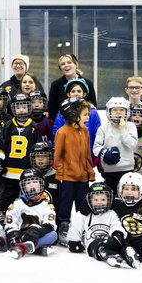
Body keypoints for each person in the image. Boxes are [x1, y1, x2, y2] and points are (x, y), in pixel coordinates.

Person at [0, 91, 43, 223]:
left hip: (26, 170)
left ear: (29, 107)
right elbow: (1, 145)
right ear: (13, 108)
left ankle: (26, 216)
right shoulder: (8, 125)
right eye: (18, 106)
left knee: (26, 195)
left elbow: (38, 148)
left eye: (24, 106)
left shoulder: (34, 127)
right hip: (9, 170)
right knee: (7, 194)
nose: (21, 109)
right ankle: (3, 211)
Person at [52, 98, 94, 243]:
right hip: (67, 177)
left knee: (82, 204)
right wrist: (60, 172)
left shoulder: (86, 131)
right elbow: (57, 155)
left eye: (88, 114)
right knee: (65, 204)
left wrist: (90, 171)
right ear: (74, 115)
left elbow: (87, 153)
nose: (88, 117)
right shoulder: (62, 132)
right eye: (85, 115)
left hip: (82, 177)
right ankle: (63, 227)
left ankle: (81, 229)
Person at [66, 182, 135, 268]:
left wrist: (117, 234)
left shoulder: (111, 213)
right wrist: (74, 241)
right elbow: (76, 228)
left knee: (121, 243)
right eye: (95, 200)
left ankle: (128, 252)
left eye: (103, 200)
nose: (99, 203)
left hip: (109, 240)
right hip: (92, 242)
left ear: (109, 200)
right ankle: (110, 256)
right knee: (99, 247)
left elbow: (116, 225)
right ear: (89, 200)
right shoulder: (83, 215)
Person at [5, 170, 59, 258]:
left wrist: (37, 230)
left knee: (53, 235)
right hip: (20, 235)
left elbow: (50, 224)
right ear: (23, 186)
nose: (32, 185)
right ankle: (36, 248)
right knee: (8, 235)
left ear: (41, 184)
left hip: (36, 236)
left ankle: (24, 247)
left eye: (35, 182)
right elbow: (10, 221)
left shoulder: (47, 205)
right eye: (28, 183)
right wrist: (13, 233)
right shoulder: (17, 203)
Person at [94, 97, 137, 194]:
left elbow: (132, 145)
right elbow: (96, 148)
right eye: (115, 110)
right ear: (109, 112)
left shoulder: (130, 126)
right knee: (111, 196)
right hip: (109, 170)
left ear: (127, 112)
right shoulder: (103, 128)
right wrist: (104, 153)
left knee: (124, 195)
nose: (118, 113)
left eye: (121, 110)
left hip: (127, 170)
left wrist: (122, 130)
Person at [47, 53, 98, 119]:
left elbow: (92, 107)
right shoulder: (55, 85)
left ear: (76, 65)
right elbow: (52, 110)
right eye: (63, 64)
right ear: (60, 68)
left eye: (69, 62)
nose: (66, 65)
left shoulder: (88, 83)